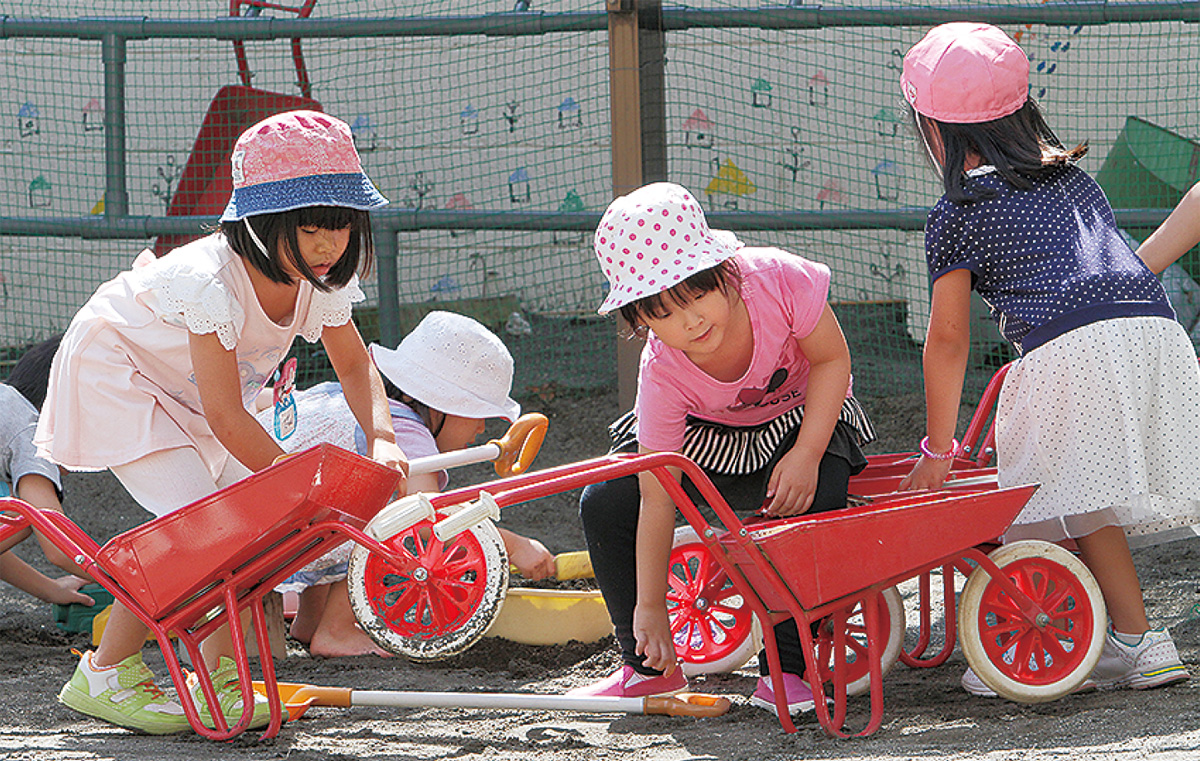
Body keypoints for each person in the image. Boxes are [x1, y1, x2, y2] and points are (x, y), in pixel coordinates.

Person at [34, 110, 407, 734]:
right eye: (311, 228)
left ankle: (220, 679)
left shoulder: (316, 281)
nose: (329, 246)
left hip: (198, 393)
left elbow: (353, 364)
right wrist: (293, 476)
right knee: (202, 531)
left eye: (342, 226)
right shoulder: (208, 281)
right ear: (259, 224)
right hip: (120, 375)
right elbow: (226, 415)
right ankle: (103, 673)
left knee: (243, 531)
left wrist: (385, 437)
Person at [897, 22, 1199, 697]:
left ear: (933, 129)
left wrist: (939, 448)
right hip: (1154, 331)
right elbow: (1105, 267)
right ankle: (1137, 641)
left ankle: (1029, 644)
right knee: (1082, 493)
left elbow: (948, 339)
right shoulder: (1074, 181)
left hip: (1068, 349)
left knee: (1028, 492)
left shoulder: (959, 208)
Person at [571, 183, 876, 714]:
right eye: (664, 313)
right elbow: (658, 493)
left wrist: (807, 454)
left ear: (724, 270)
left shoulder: (779, 280)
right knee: (606, 500)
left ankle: (790, 669)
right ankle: (646, 669)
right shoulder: (662, 372)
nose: (690, 321)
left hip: (802, 420)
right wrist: (651, 606)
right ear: (640, 319)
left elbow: (831, 361)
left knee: (818, 492)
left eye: (697, 294)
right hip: (712, 440)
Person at [256, 310, 556, 657]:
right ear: (443, 404)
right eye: (477, 415)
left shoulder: (356, 402)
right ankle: (336, 631)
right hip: (277, 535)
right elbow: (428, 520)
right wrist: (515, 545)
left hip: (266, 522)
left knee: (350, 495)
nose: (481, 429)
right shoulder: (405, 431)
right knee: (390, 516)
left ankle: (312, 620)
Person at [1, 335, 94, 606]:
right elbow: (59, 546)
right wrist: (129, 582)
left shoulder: (7, 407)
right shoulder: (31, 433)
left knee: (19, 520)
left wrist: (50, 590)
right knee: (27, 519)